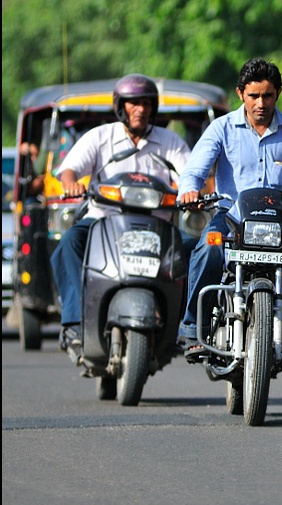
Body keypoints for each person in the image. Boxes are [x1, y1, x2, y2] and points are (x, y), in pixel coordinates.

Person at [177, 58, 282, 361]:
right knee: (207, 250)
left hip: (280, 221)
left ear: (278, 94)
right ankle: (193, 329)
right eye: (253, 96)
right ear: (241, 94)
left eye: (268, 95)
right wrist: (190, 190)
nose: (261, 103)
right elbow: (196, 169)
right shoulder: (221, 128)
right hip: (231, 217)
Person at [51, 74, 192, 358]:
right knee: (67, 245)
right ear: (120, 107)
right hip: (103, 220)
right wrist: (71, 183)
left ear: (153, 108)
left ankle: (183, 326)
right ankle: (75, 322)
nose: (140, 109)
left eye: (145, 104)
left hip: (158, 225)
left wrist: (191, 190)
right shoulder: (100, 137)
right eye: (133, 103)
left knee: (194, 251)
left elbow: (191, 174)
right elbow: (68, 171)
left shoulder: (170, 141)